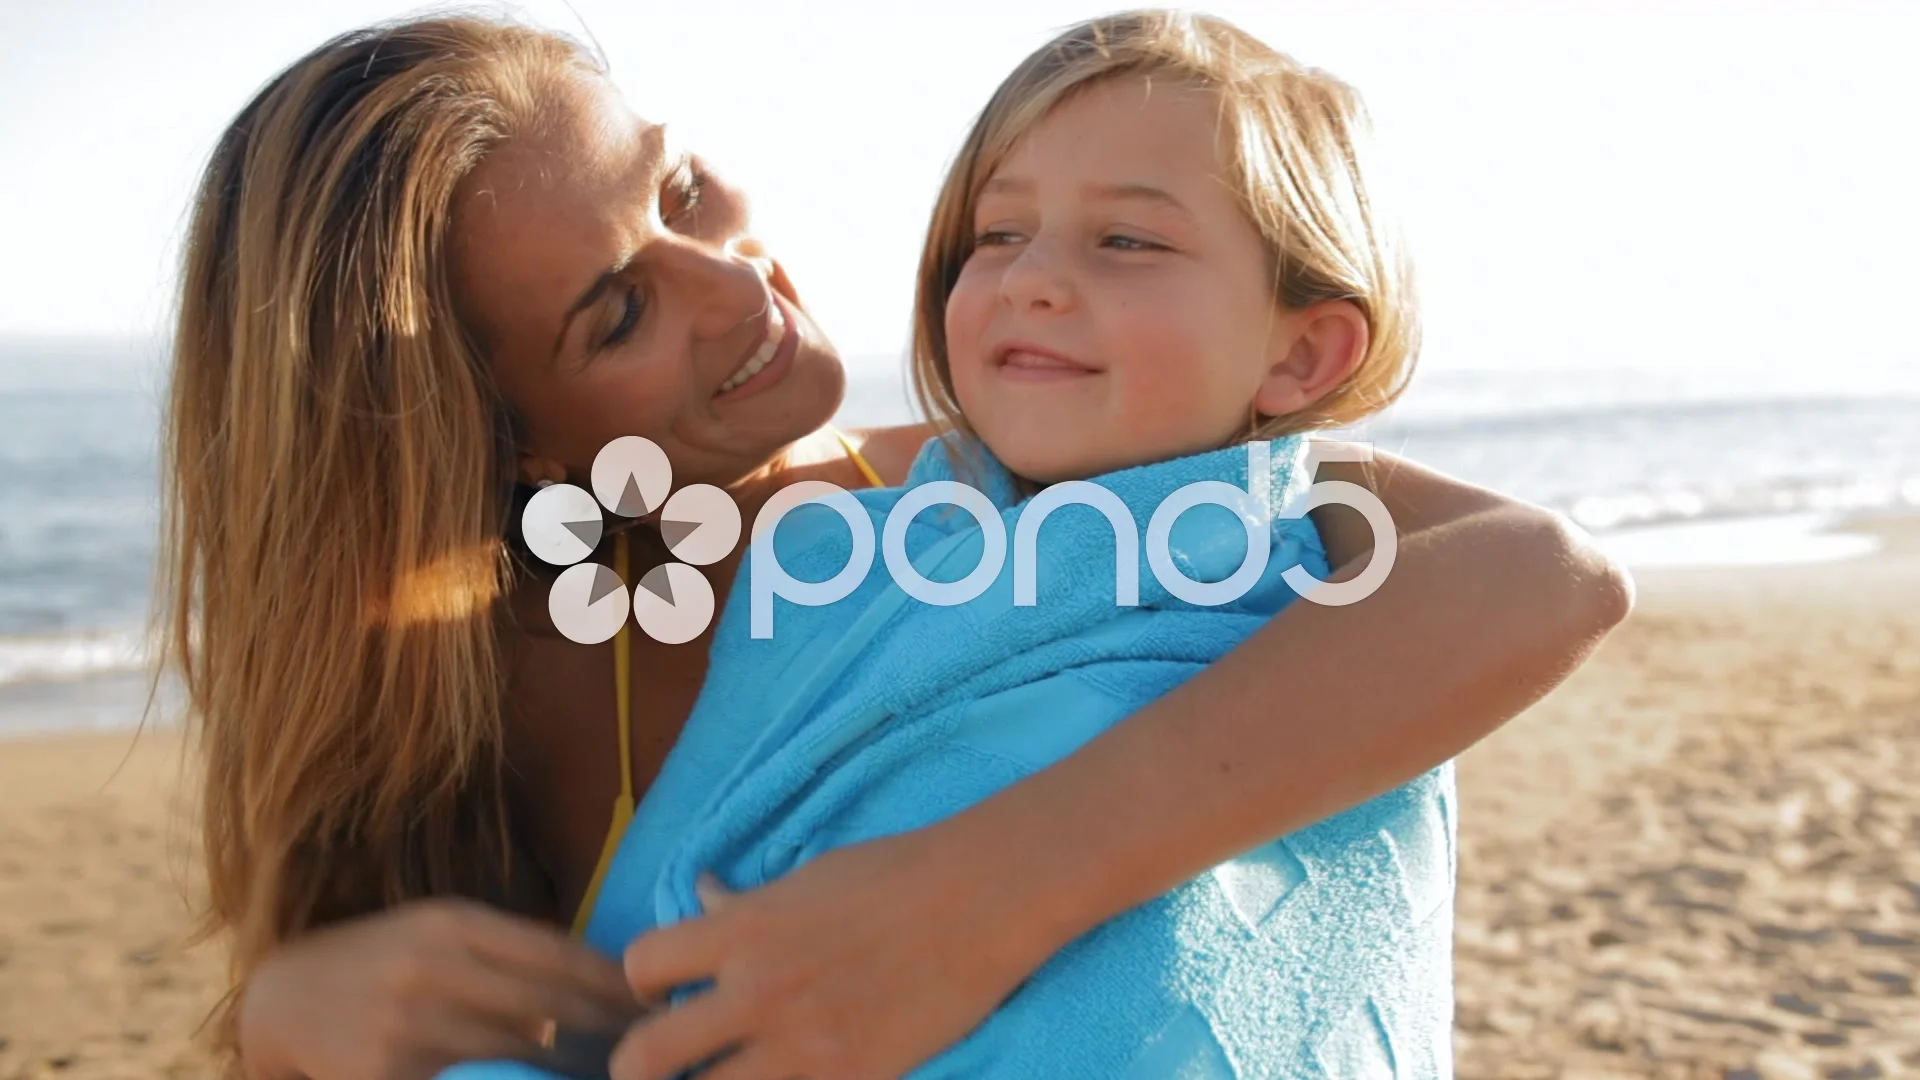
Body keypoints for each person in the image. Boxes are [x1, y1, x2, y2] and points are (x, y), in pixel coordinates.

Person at [156, 13, 1631, 1080]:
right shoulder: (468, 698)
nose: (731, 284)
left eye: (677, 191)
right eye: (617, 311)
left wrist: (993, 892)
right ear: (493, 439)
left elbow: (1538, 575)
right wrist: (290, 1022)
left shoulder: (980, 495)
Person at [444, 13, 1468, 1078]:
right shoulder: (826, 571)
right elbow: (675, 916)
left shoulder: (1345, 568)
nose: (1032, 278)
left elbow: (1550, 573)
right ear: (521, 447)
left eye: (1127, 240)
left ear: (1304, 353)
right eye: (998, 235)